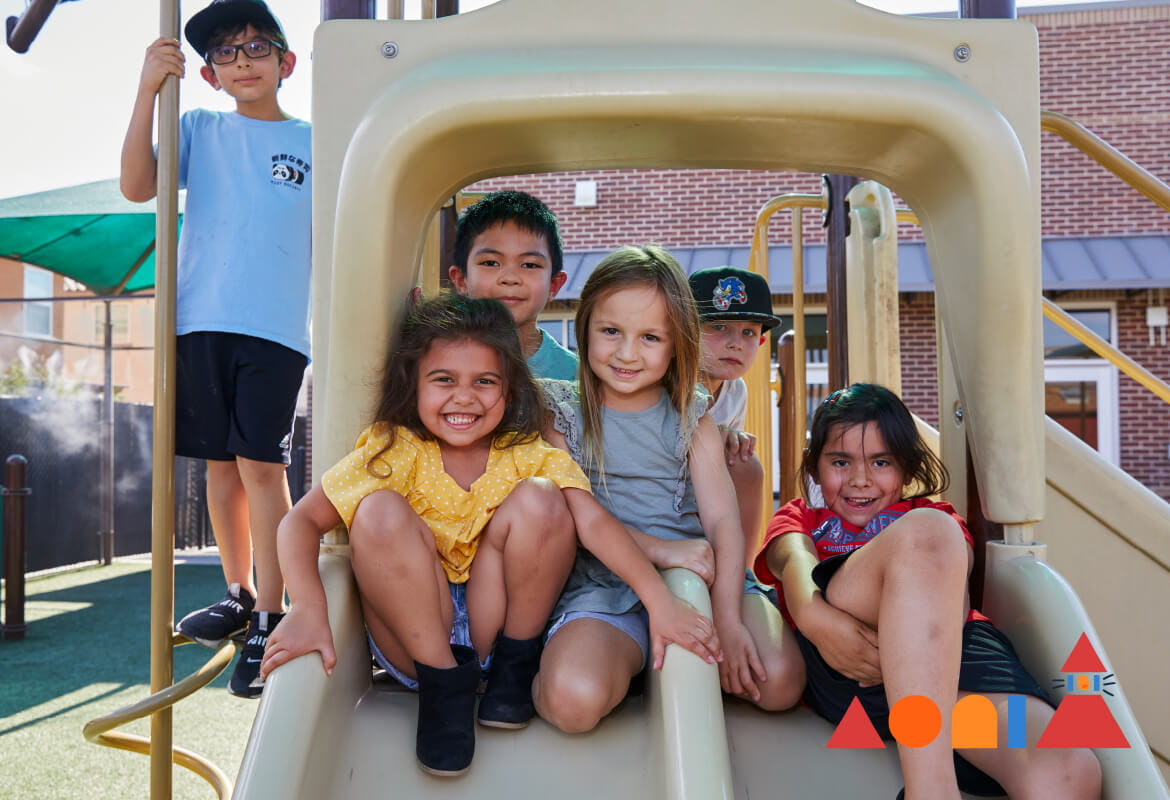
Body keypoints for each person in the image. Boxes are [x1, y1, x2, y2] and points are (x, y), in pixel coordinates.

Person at [261, 294, 721, 777]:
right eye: (443, 381)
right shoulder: (393, 447)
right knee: (376, 512)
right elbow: (300, 523)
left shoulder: (524, 451)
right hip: (418, 637)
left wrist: (659, 600)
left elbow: (592, 523)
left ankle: (512, 672)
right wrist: (310, 610)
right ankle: (444, 694)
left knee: (545, 498)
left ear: (510, 389)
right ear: (412, 385)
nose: (465, 397)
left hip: (494, 625)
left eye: (485, 382)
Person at [754, 383, 1102, 800]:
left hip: (951, 693)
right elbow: (794, 563)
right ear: (814, 468)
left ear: (907, 469)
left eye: (881, 462)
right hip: (855, 671)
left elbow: (951, 600)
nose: (860, 479)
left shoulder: (932, 516)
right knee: (926, 536)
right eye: (841, 461)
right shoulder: (804, 518)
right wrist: (816, 619)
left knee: (1069, 772)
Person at [119, 0, 311, 697]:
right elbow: (138, 185)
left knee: (261, 467)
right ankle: (236, 591)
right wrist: (147, 88)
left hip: (275, 329)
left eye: (257, 47)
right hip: (200, 319)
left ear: (286, 63)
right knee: (220, 469)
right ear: (207, 74)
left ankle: (270, 613)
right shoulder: (197, 126)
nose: (243, 60)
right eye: (227, 53)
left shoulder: (314, 142)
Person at [536, 245, 805, 734]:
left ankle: (664, 652)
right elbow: (578, 519)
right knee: (572, 702)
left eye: (650, 337)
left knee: (780, 682)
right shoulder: (562, 414)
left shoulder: (691, 412)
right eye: (611, 331)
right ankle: (609, 653)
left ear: (677, 341)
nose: (626, 353)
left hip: (696, 577)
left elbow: (723, 519)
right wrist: (661, 558)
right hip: (607, 583)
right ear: (584, 328)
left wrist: (727, 618)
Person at [688, 266, 782, 567]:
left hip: (706, 500)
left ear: (761, 343)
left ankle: (741, 571)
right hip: (658, 504)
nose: (736, 343)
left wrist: (730, 440)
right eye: (719, 327)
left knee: (744, 461)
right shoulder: (668, 385)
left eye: (748, 332)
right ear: (686, 330)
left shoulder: (735, 390)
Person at [448, 190, 578, 381]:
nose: (510, 278)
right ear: (461, 279)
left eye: (529, 265)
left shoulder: (576, 376)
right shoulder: (438, 361)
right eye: (491, 263)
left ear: (553, 285)